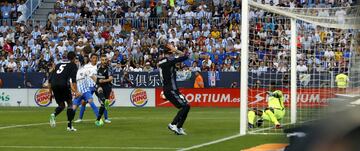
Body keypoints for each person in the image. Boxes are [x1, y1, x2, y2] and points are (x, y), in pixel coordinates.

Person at [158, 43, 190, 135]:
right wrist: (176, 50)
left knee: (186, 107)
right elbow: (186, 56)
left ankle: (179, 127)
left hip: (169, 89)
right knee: (185, 106)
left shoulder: (162, 61)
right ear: (170, 52)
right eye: (172, 52)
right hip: (171, 89)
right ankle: (173, 124)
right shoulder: (169, 60)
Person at [48, 51, 79, 131]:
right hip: (63, 84)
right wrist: (76, 91)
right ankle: (69, 126)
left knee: (61, 105)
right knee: (70, 104)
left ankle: (53, 115)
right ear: (74, 58)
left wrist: (50, 93)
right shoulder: (73, 65)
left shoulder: (58, 65)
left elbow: (50, 79)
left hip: (54, 85)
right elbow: (74, 79)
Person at [71, 53, 99, 125]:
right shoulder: (73, 71)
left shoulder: (84, 69)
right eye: (75, 61)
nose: (76, 62)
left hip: (86, 91)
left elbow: (93, 76)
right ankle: (70, 121)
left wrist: (98, 84)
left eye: (77, 61)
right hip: (79, 93)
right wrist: (75, 91)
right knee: (73, 108)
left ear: (80, 62)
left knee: (90, 101)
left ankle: (99, 119)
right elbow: (71, 83)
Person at [94, 54, 114, 126]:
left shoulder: (109, 68)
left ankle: (98, 120)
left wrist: (104, 81)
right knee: (100, 91)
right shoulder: (97, 66)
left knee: (103, 105)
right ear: (100, 60)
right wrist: (97, 81)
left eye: (105, 60)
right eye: (102, 60)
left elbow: (111, 78)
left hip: (107, 87)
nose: (104, 61)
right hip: (99, 86)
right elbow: (94, 74)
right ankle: (105, 101)